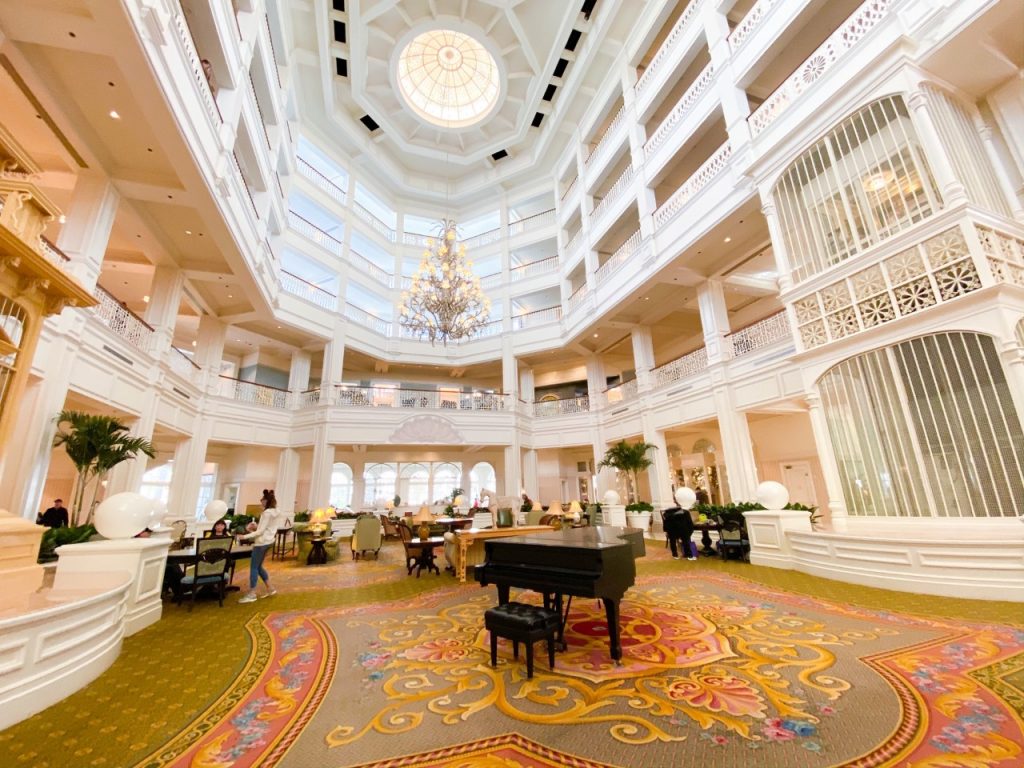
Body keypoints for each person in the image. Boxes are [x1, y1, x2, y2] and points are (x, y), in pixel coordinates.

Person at [237, 494, 284, 603]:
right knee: (258, 567)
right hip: (269, 541)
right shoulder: (276, 512)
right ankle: (270, 588)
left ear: (266, 501)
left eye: (262, 499)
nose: (261, 501)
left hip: (261, 542)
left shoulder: (266, 513)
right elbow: (265, 528)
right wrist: (255, 528)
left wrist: (244, 536)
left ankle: (252, 593)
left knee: (254, 567)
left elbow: (261, 532)